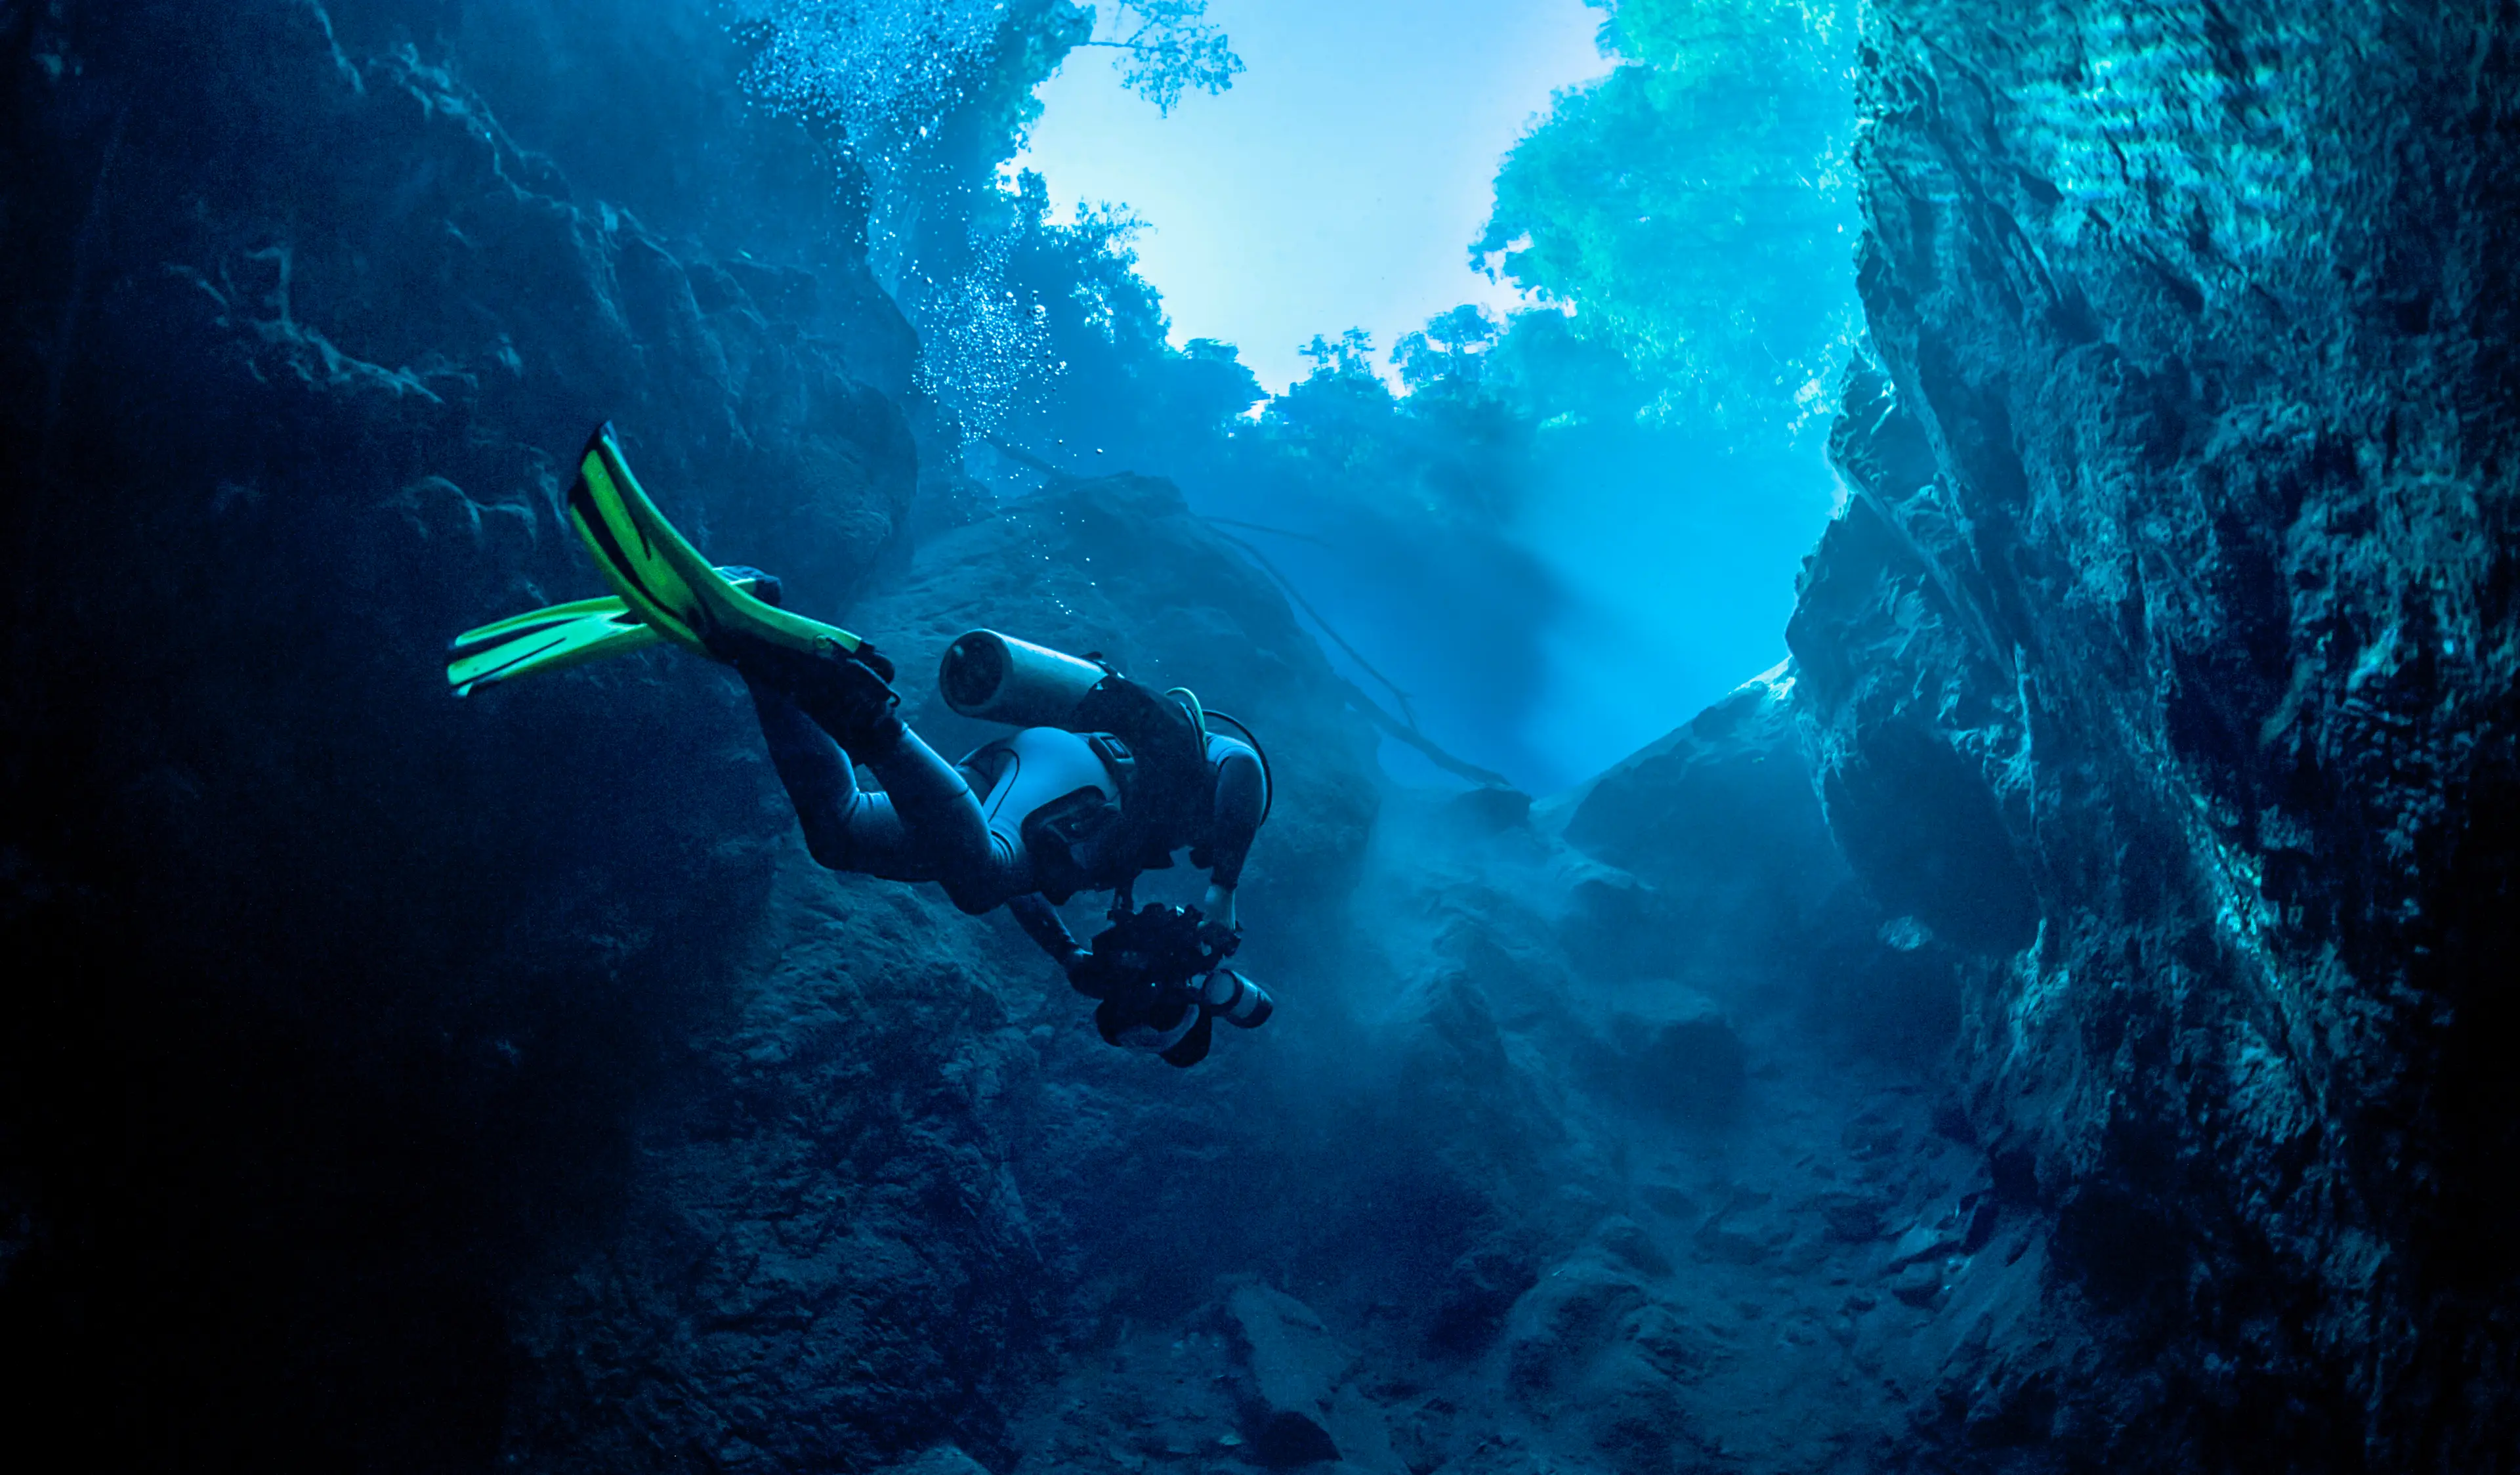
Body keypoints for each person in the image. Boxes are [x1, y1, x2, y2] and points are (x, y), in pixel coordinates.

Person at [486, 423, 1274, 1066]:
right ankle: (867, 714)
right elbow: (1242, 770)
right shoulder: (1217, 838)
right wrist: (1223, 888)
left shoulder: (1139, 916)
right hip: (1082, 771)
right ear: (1167, 999)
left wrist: (1068, 955)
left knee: (844, 833)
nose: (1118, 988)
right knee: (977, 878)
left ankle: (762, 650)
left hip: (1018, 791)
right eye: (1128, 1003)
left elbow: (1020, 878)